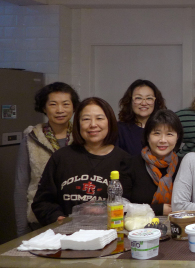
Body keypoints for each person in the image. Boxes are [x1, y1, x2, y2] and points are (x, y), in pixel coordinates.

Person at [32, 97, 133, 226]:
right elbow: (42, 202)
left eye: (99, 118)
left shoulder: (124, 160)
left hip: (110, 234)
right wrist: (57, 219)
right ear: (78, 124)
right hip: (67, 235)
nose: (93, 124)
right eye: (86, 119)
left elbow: (130, 205)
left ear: (110, 122)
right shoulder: (61, 157)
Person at [14, 82, 80, 236]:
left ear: (74, 107)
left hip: (77, 218)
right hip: (39, 220)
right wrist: (21, 228)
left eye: (65, 104)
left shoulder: (82, 137)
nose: (60, 110)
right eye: (53, 104)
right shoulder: (31, 139)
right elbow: (20, 186)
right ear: (44, 108)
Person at [125, 110, 182, 216]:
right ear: (147, 136)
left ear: (177, 137)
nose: (163, 140)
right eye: (157, 133)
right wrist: (157, 209)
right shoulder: (130, 164)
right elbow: (121, 207)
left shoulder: (184, 165)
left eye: (169, 134)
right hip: (138, 228)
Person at [117, 79, 167, 156]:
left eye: (149, 98)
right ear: (130, 101)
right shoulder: (119, 129)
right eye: (138, 98)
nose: (144, 103)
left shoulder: (164, 127)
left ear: (156, 102)